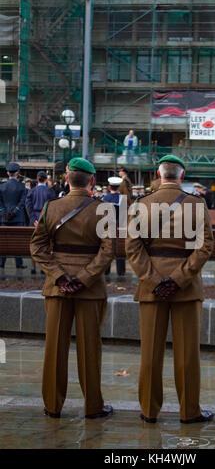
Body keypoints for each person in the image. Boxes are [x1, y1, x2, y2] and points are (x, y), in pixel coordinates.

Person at [126, 154, 214, 424]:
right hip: (186, 289)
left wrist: (153, 279)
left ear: (159, 174)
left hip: (151, 288)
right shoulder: (196, 205)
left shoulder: (141, 204)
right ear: (182, 176)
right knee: (187, 354)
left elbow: (132, 248)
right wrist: (179, 278)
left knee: (150, 352)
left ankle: (149, 411)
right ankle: (189, 411)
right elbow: (205, 246)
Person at [30, 157, 114, 419]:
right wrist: (85, 277)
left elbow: (37, 247)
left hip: (58, 288)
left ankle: (53, 406)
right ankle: (93, 406)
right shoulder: (104, 209)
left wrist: (60, 276)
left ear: (67, 179)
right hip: (90, 290)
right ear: (92, 181)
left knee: (54, 347)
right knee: (90, 348)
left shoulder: (51, 207)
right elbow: (108, 251)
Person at [26, 171, 56, 274]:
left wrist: (33, 219)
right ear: (46, 180)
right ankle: (44, 267)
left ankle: (33, 267)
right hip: (45, 219)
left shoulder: (32, 191)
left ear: (37, 178)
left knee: (34, 244)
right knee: (46, 244)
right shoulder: (50, 191)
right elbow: (53, 207)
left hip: (34, 219)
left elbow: (28, 206)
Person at [0, 162, 27, 269]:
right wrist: (14, 212)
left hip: (4, 217)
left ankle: (1, 262)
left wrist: (4, 212)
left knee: (3, 240)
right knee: (18, 241)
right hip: (18, 217)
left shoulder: (1, 186)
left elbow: (0, 202)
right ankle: (19, 263)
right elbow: (22, 202)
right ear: (17, 173)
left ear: (7, 173)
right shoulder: (22, 186)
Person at [103, 176, 126, 276]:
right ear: (119, 187)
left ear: (109, 187)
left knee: (107, 248)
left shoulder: (104, 198)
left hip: (106, 226)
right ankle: (121, 272)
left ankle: (106, 271)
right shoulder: (122, 199)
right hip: (118, 226)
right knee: (120, 249)